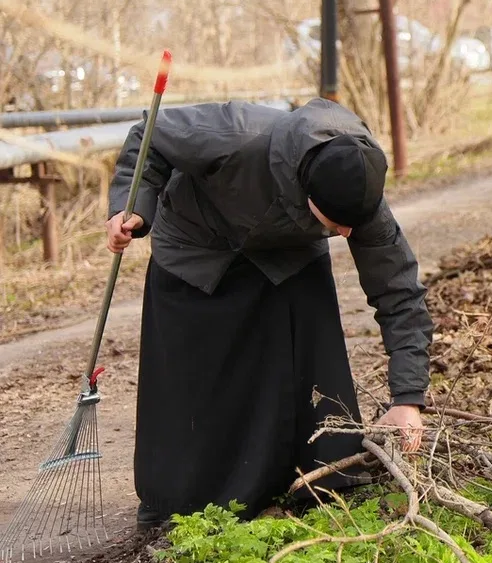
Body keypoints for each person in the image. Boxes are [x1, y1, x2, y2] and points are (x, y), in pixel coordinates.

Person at [105, 98, 432, 531]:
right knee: (196, 380)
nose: (346, 234)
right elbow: (149, 136)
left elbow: (398, 290)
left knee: (308, 346)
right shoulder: (234, 134)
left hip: (286, 252)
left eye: (352, 224)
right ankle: (179, 498)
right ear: (308, 192)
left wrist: (408, 398)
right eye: (335, 224)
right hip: (194, 244)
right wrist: (131, 205)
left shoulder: (357, 190)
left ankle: (319, 480)